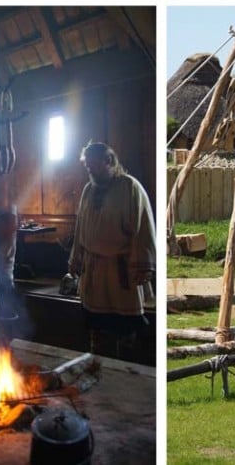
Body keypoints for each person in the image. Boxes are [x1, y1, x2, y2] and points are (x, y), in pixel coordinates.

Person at [69, 141, 156, 358]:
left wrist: (143, 264)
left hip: (121, 270)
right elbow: (81, 227)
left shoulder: (129, 187)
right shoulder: (89, 190)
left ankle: (126, 368)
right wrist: (76, 259)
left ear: (109, 161)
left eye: (94, 166)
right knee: (96, 326)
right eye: (87, 167)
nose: (90, 171)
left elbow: (143, 227)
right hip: (94, 269)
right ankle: (97, 363)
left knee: (124, 327)